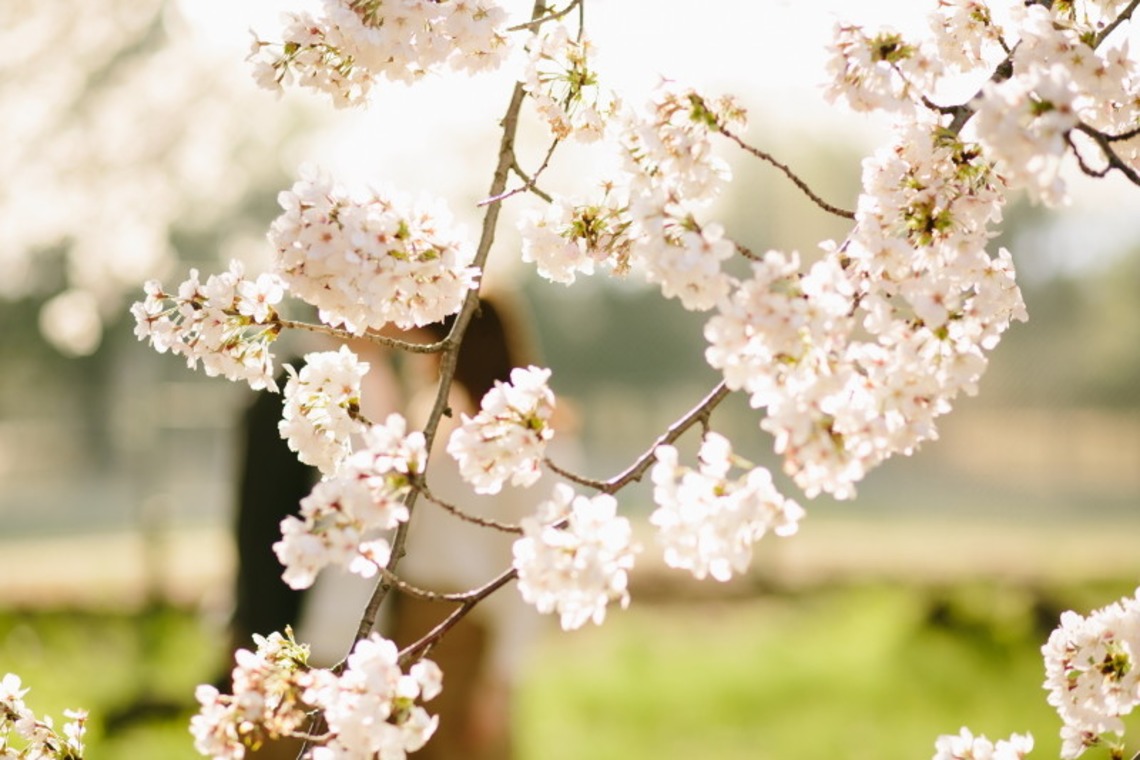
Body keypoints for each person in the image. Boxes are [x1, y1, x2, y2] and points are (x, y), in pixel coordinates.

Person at [225, 292, 553, 759]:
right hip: (338, 633)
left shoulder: (506, 433)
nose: (407, 336)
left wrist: (501, 675)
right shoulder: (317, 391)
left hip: (437, 629)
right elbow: (259, 526)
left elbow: (520, 567)